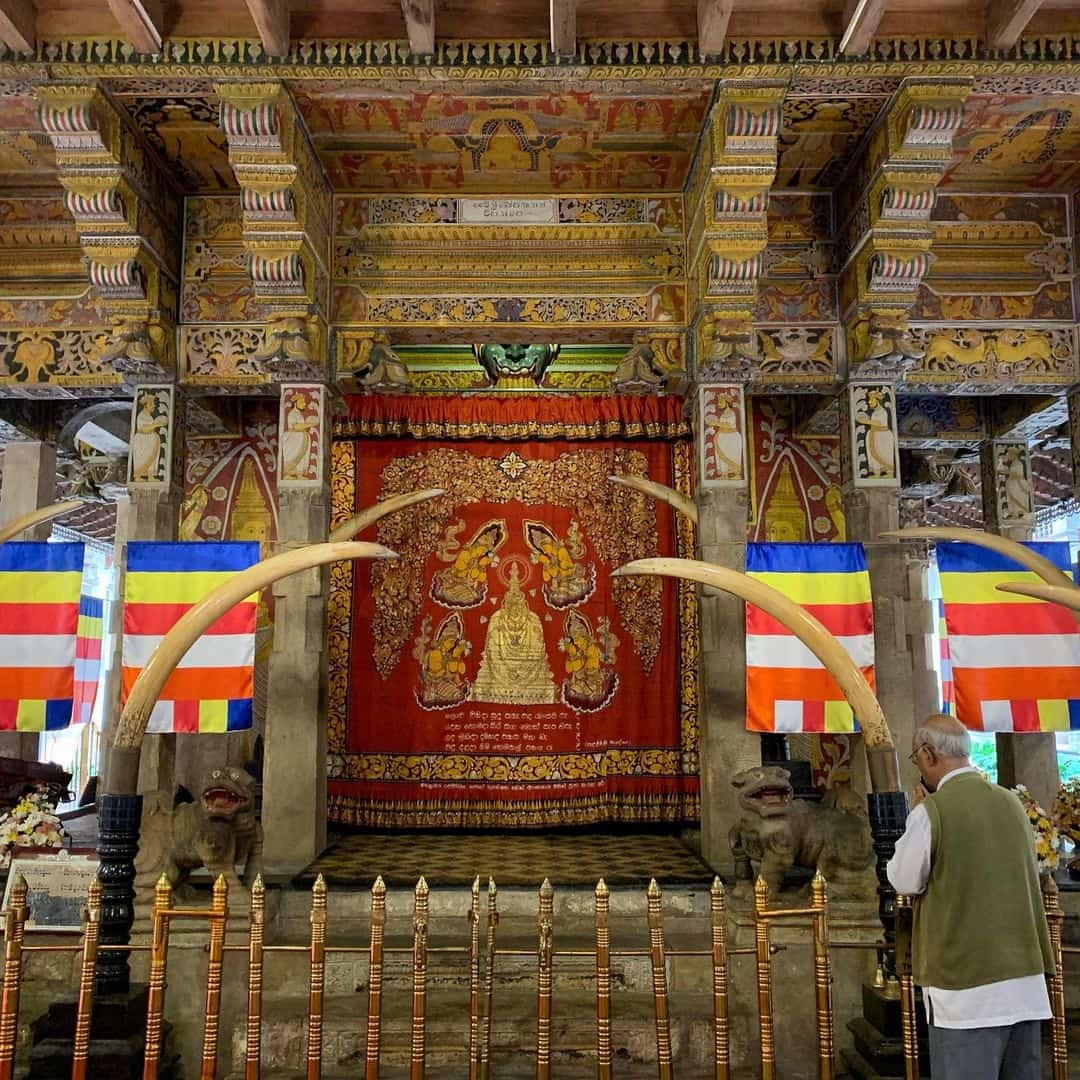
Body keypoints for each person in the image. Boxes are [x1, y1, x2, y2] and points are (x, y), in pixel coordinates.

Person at [887, 713, 1053, 1079]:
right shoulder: (1012, 804)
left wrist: (914, 815)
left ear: (929, 754)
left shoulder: (933, 811)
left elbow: (903, 879)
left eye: (916, 759)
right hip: (1024, 984)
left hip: (965, 993)